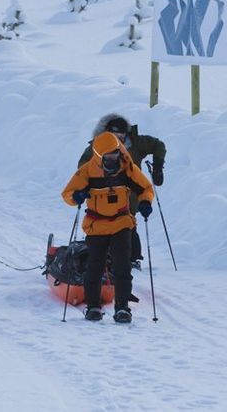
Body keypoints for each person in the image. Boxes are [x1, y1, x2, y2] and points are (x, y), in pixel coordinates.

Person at [62, 131, 155, 323]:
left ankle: (122, 309)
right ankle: (93, 307)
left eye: (115, 154)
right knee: (94, 267)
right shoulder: (87, 171)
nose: (113, 159)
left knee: (122, 268)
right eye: (108, 156)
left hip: (121, 224)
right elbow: (67, 193)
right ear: (98, 156)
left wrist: (145, 202)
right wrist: (77, 197)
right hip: (96, 226)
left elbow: (145, 188)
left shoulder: (127, 168)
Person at [78, 114, 166, 268]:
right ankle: (100, 257)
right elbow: (83, 165)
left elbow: (158, 145)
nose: (118, 139)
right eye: (114, 135)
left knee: (127, 223)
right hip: (102, 195)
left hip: (130, 195)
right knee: (102, 224)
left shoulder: (136, 143)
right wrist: (87, 183)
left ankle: (130, 259)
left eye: (122, 135)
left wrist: (158, 166)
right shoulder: (97, 146)